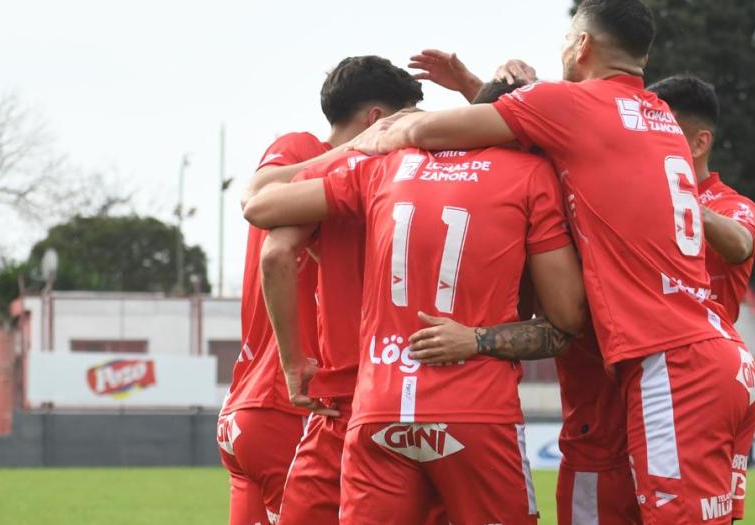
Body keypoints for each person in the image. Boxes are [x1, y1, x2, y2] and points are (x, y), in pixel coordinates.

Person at [347, 1, 755, 522]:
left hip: (669, 360)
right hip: (716, 354)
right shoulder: (657, 118)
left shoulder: (571, 105)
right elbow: (554, 133)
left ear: (581, 45)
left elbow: (440, 134)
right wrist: (478, 85)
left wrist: (388, 132)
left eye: (567, 39)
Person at [243, 94, 587, 522]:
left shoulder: (386, 165)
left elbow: (259, 208)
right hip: (475, 412)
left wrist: (358, 146)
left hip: (377, 408)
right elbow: (568, 320)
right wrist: (478, 339)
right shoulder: (531, 173)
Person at [409, 52, 639, 525]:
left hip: (386, 402)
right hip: (604, 413)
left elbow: (265, 207)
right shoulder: (547, 180)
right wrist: (478, 89)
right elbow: (515, 143)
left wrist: (391, 131)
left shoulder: (405, 173)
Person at [217, 55, 423, 525]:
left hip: (249, 406)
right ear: (376, 120)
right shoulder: (304, 152)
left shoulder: (322, 175)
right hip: (294, 399)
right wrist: (358, 150)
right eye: (405, 122)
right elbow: (256, 200)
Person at [649, 75, 755, 322]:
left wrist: (683, 204)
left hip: (703, 355)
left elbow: (742, 245)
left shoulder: (728, 204)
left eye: (663, 132)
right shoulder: (633, 197)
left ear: (699, 143)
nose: (647, 143)